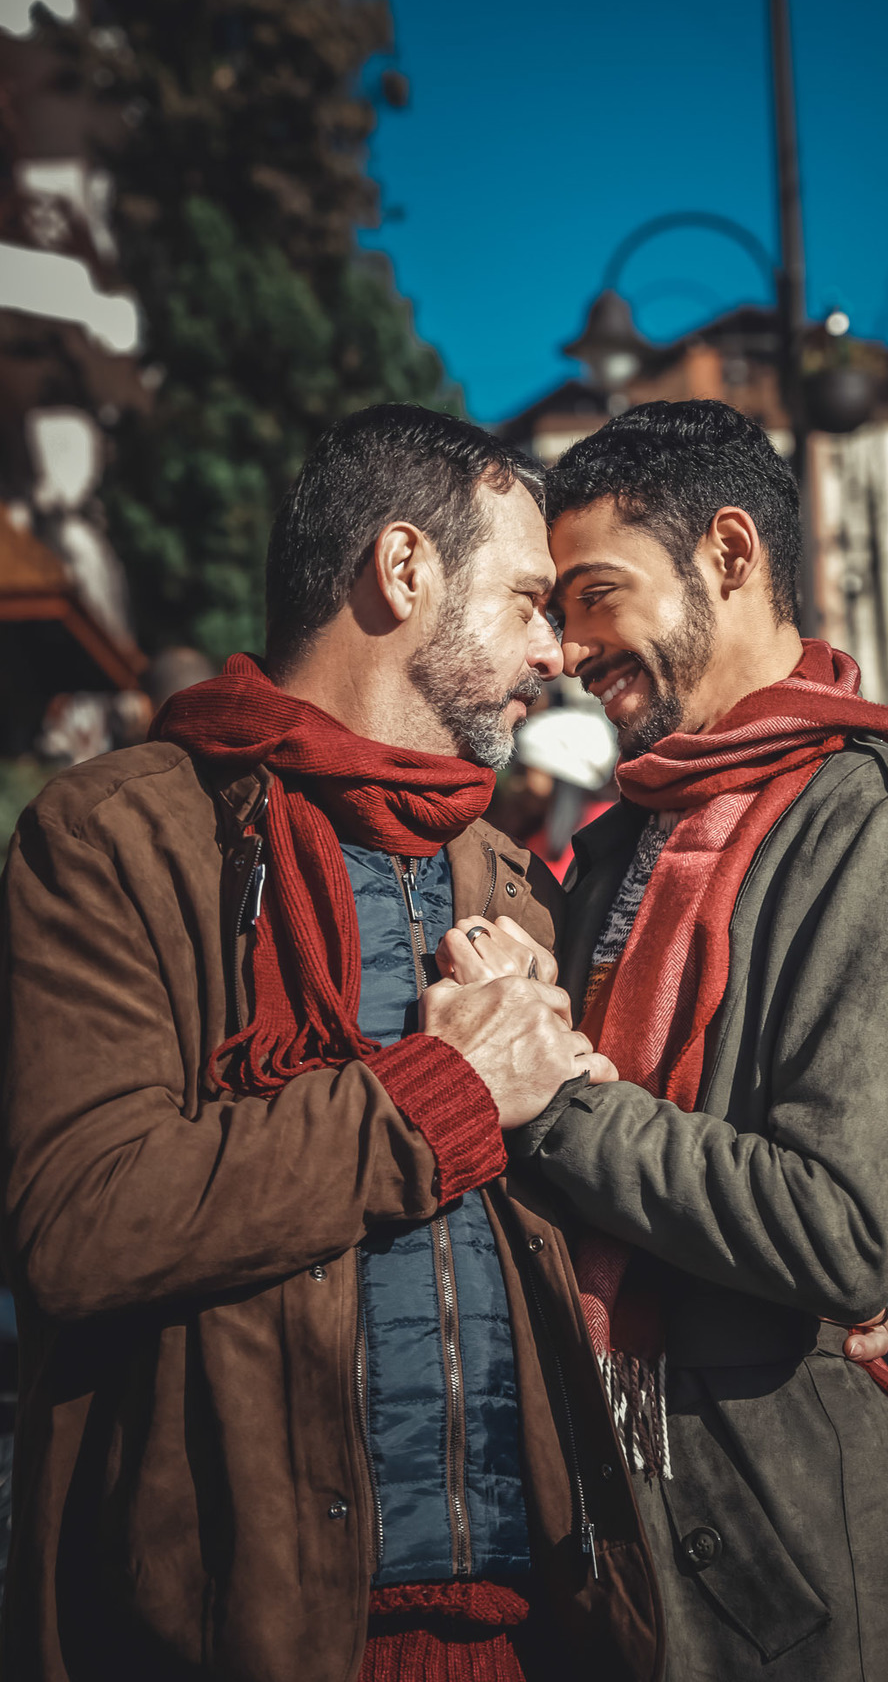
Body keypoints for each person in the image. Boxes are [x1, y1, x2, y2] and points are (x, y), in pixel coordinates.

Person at [0, 407, 664, 1682]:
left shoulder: (512, 878)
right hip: (239, 1633)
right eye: (529, 600)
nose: (558, 652)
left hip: (529, 1630)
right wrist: (449, 1093)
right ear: (404, 569)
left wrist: (800, 1289)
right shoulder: (120, 840)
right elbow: (78, 1222)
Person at [494, 399, 888, 1681]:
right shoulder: (627, 835)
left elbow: (842, 1228)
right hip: (630, 1542)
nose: (566, 646)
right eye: (556, 609)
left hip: (800, 1579)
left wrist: (554, 1101)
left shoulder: (871, 835)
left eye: (595, 594)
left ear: (729, 552)